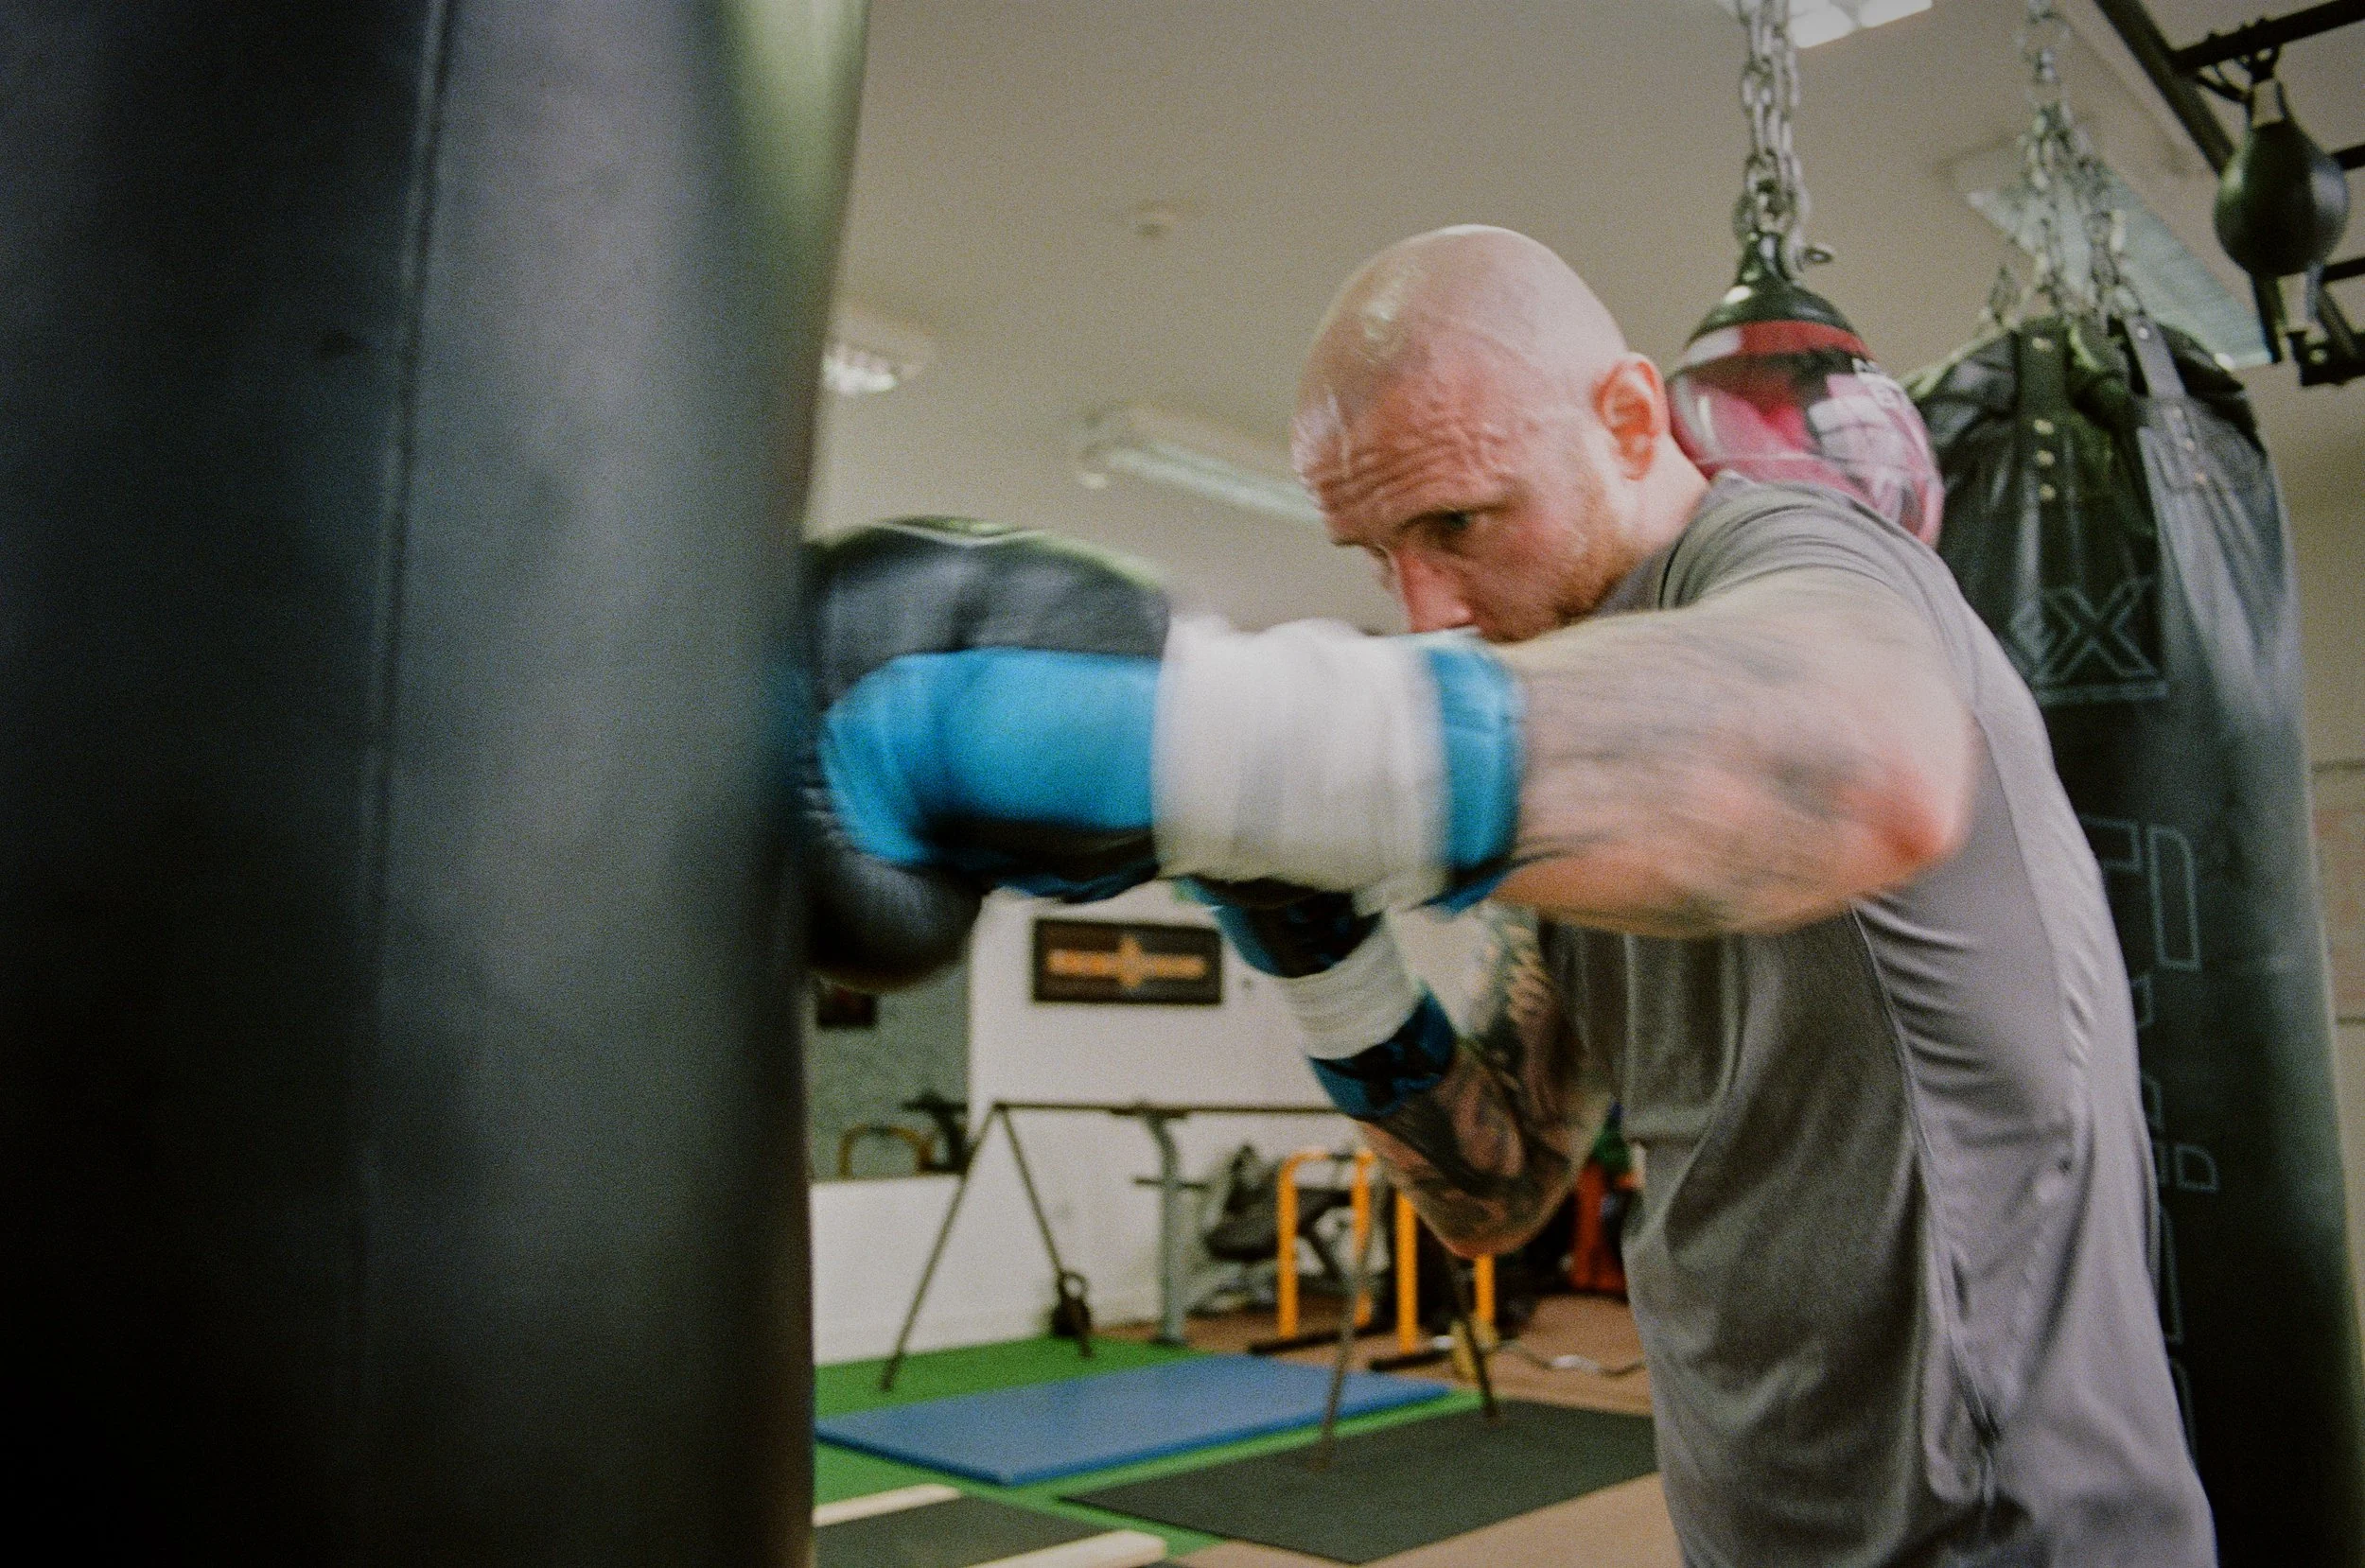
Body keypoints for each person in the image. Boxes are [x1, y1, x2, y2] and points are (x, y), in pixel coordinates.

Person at [803, 227, 2214, 1567]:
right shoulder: (1600, 804)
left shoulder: (1804, 562)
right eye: (1379, 555)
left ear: (1626, 417)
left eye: (1461, 520)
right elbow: (1500, 1183)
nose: (1426, 605)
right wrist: (1324, 953)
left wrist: (1203, 737)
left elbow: (1872, 762)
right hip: (1765, 1514)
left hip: (2009, 1530)